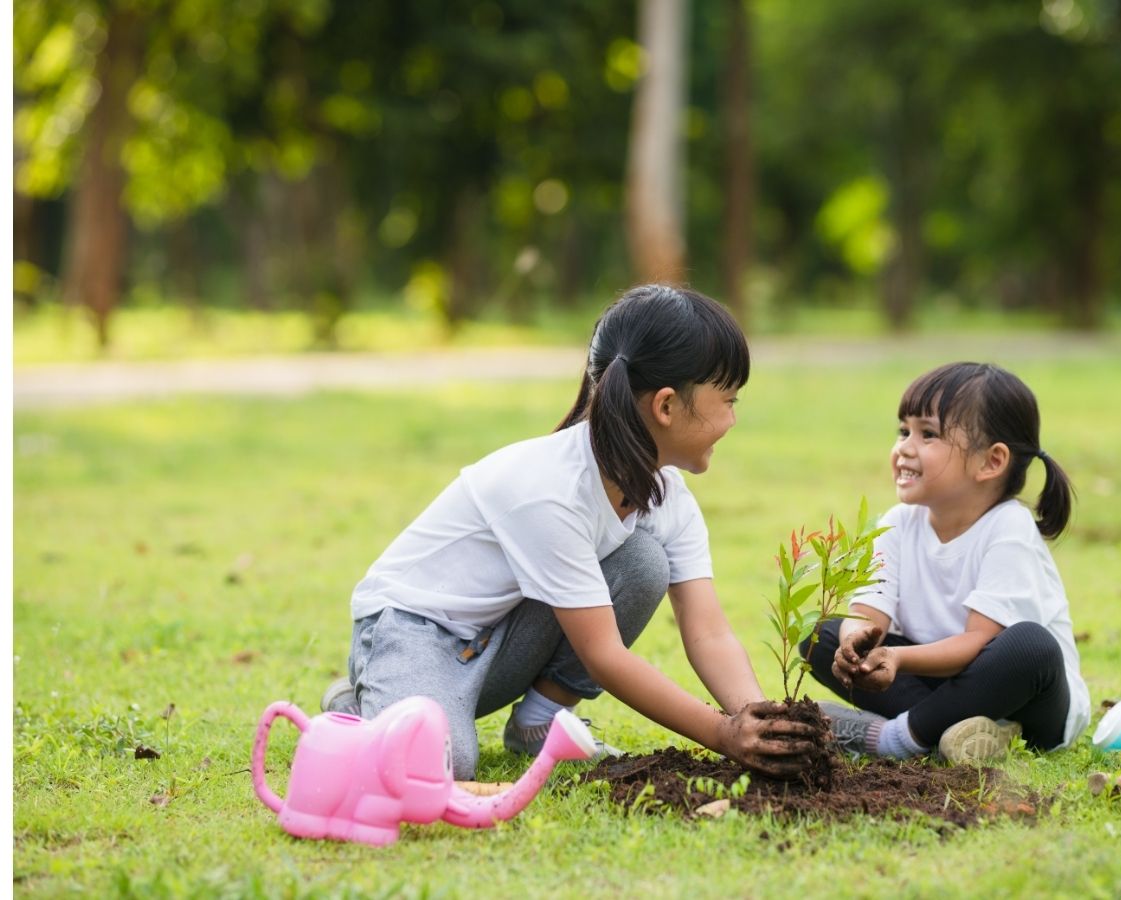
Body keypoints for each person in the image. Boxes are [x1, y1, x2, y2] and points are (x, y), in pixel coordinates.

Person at [321, 284, 824, 779]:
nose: (734, 419)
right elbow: (603, 656)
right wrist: (721, 734)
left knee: (643, 562)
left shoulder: (667, 497)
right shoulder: (551, 492)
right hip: (414, 631)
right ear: (667, 406)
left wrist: (759, 720)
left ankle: (540, 722)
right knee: (443, 764)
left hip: (496, 642)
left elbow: (709, 631)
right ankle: (364, 700)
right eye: (729, 400)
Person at [801, 362, 1090, 762]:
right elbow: (868, 615)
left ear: (991, 462)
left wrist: (897, 658)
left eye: (928, 435)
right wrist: (856, 645)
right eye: (903, 431)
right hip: (939, 685)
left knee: (1031, 646)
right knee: (820, 635)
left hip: (1028, 703)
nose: (904, 447)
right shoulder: (897, 525)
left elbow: (977, 642)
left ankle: (895, 738)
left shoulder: (1009, 528)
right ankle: (956, 733)